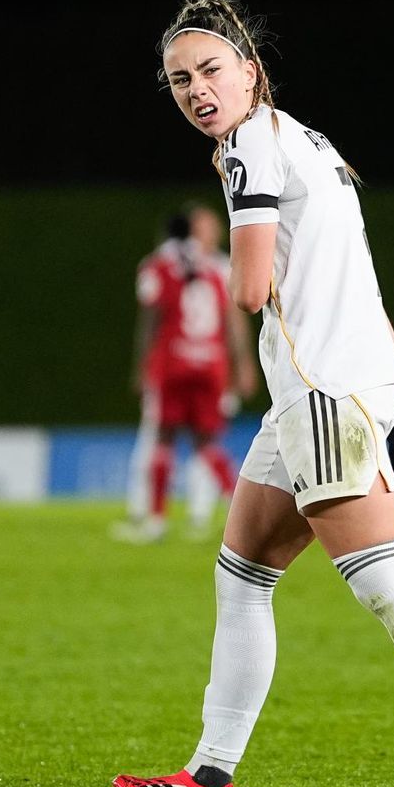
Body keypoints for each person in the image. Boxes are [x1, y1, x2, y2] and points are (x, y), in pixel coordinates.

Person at [112, 0, 394, 787]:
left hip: (320, 397)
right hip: (329, 393)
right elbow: (362, 283)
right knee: (242, 575)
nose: (197, 89)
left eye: (210, 70)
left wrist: (252, 254)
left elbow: (245, 289)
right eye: (179, 80)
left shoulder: (246, 149)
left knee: (386, 583)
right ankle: (211, 774)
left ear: (250, 70)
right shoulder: (312, 140)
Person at [115, 201, 257, 543]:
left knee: (162, 437)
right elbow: (232, 320)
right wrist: (243, 365)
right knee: (207, 442)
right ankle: (247, 516)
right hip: (210, 364)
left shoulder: (159, 265)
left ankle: (157, 520)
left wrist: (142, 365)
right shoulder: (215, 267)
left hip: (174, 361)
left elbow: (152, 316)